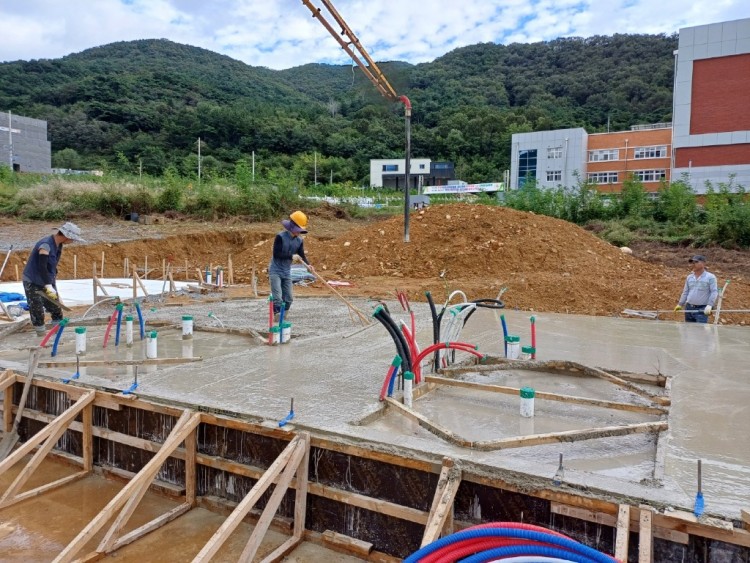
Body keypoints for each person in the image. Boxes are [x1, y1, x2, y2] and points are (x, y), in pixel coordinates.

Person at [23, 222, 86, 336]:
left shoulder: (58, 245)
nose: (72, 241)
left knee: (55, 306)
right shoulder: (45, 245)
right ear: (67, 236)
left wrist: (52, 286)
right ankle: (40, 335)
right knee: (37, 308)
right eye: (73, 239)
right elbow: (42, 267)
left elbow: (51, 268)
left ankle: (58, 333)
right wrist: (48, 285)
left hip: (47, 279)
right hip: (32, 280)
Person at [269, 211, 314, 321]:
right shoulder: (280, 237)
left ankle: (283, 316)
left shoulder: (299, 240)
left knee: (289, 298)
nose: (299, 232)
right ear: (292, 227)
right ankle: (277, 318)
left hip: (286, 271)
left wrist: (308, 265)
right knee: (277, 297)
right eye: (298, 229)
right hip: (275, 270)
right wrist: (291, 256)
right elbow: (276, 254)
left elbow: (302, 255)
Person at [674, 254, 718, 324]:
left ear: (703, 263)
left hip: (702, 309)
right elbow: (685, 292)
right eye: (692, 262)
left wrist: (710, 305)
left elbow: (714, 292)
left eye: (696, 262)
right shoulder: (689, 277)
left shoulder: (710, 277)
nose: (693, 264)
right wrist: (680, 304)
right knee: (689, 328)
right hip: (689, 308)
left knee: (700, 329)